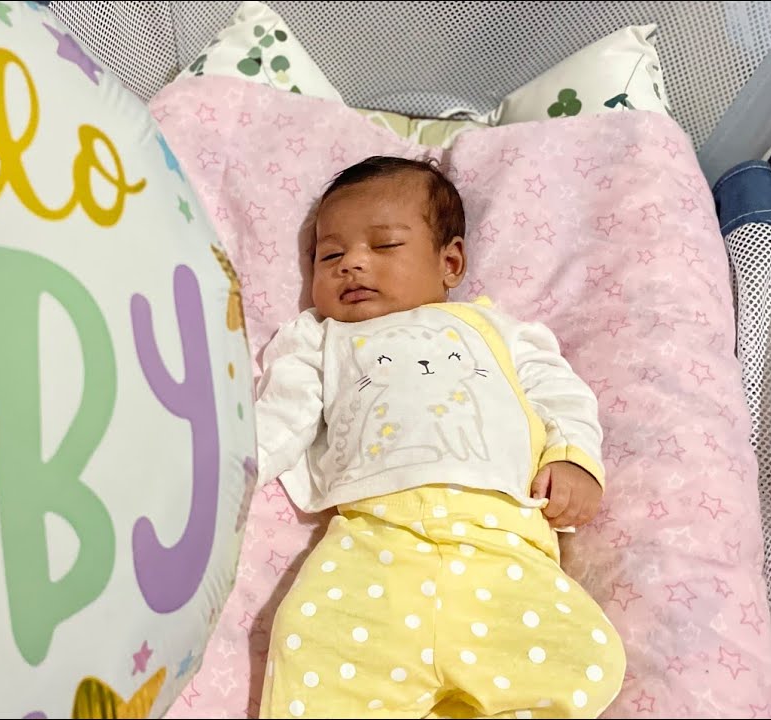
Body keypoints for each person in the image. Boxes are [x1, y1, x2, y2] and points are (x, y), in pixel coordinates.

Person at [254, 156, 626, 719]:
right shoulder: (318, 337)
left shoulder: (495, 329)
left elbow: (561, 395)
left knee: (579, 654)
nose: (352, 264)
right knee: (314, 643)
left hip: (504, 539)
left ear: (450, 262)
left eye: (383, 247)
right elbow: (283, 416)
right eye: (329, 255)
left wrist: (573, 458)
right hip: (373, 538)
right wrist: (224, 468)